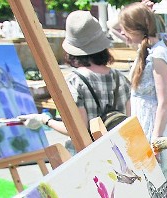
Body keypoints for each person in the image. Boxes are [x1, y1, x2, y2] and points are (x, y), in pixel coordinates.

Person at [19, 11, 131, 154]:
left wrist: (45, 120)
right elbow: (125, 121)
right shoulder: (120, 78)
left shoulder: (74, 81)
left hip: (88, 157)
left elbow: (77, 130)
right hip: (117, 152)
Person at [118, 2, 167, 182]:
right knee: (145, 185)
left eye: (125, 28)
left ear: (136, 28)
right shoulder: (147, 49)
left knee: (154, 186)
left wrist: (155, 141)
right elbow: (109, 27)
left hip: (151, 129)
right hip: (141, 126)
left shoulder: (157, 53)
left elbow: (164, 101)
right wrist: (139, 7)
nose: (121, 32)